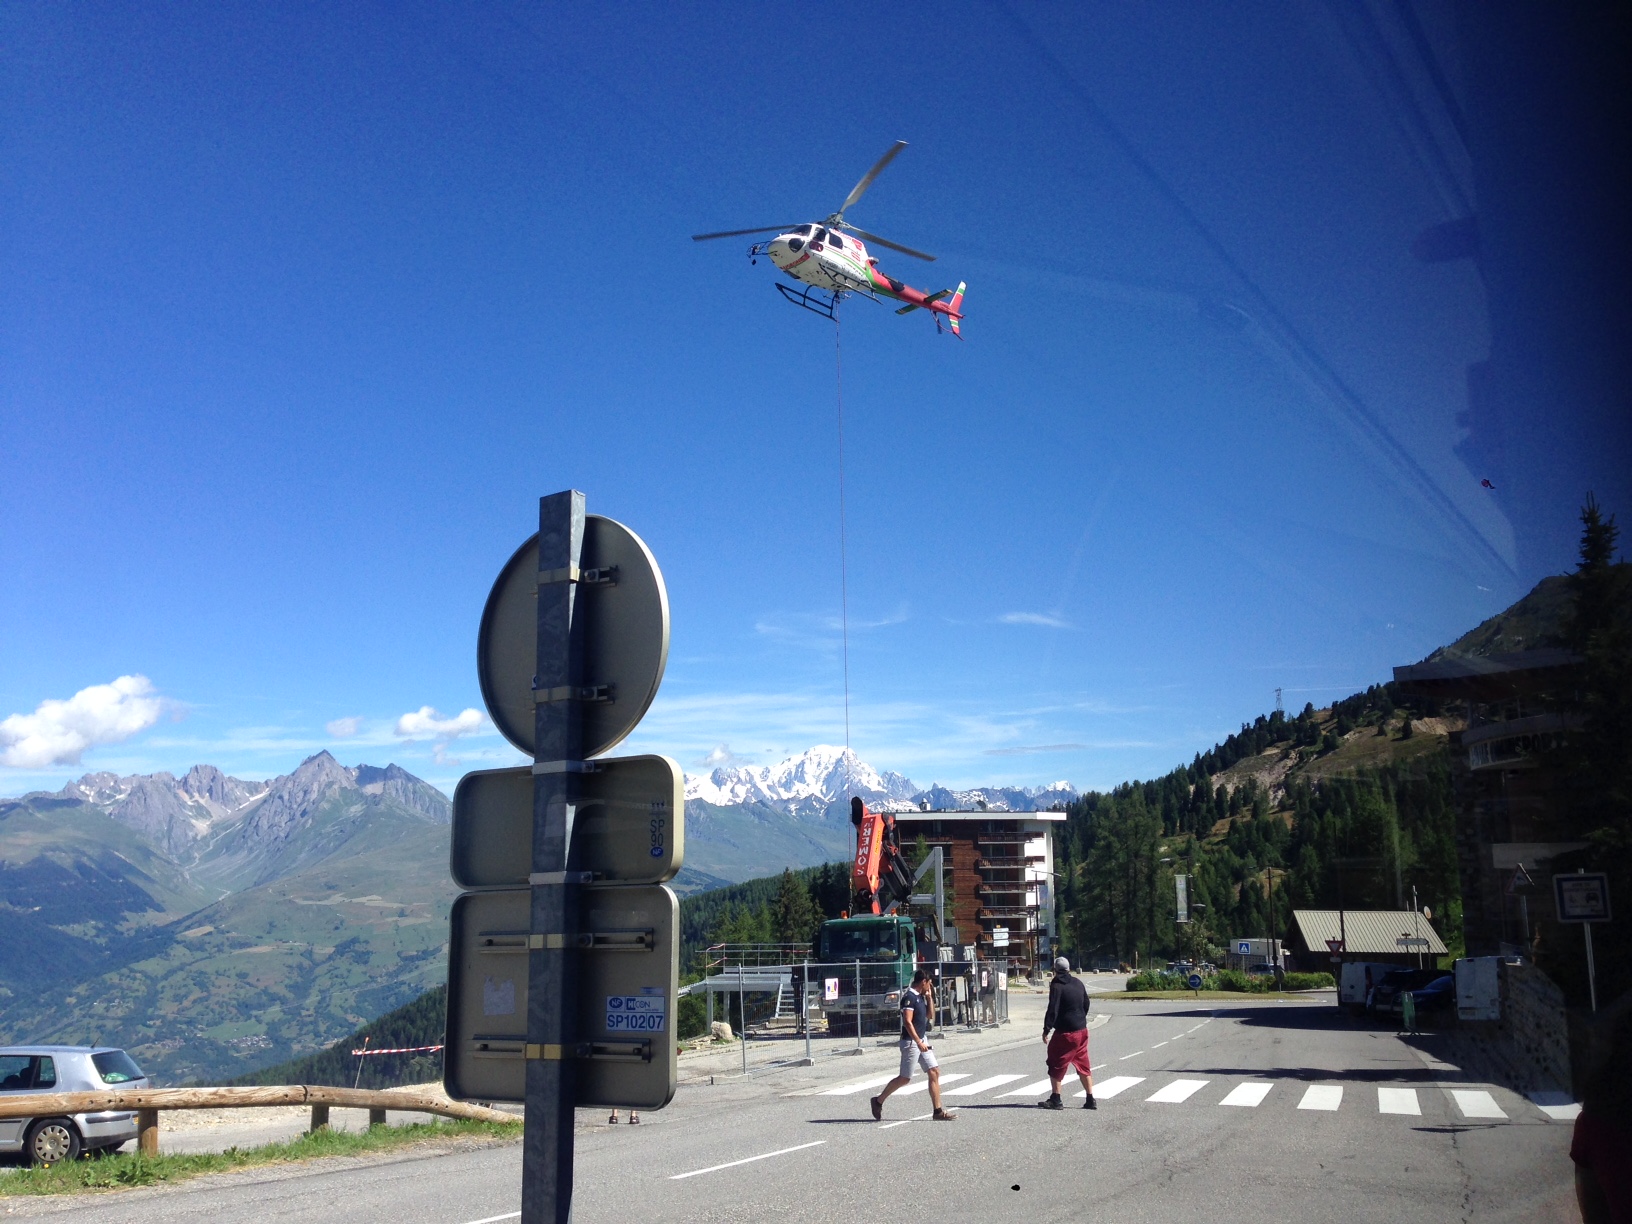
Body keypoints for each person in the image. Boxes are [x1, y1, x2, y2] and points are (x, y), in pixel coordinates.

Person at [870, 969, 956, 1122]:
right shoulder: (909, 997)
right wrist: (918, 1042)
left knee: (934, 1071)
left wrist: (929, 998)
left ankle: (937, 1111)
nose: (930, 987)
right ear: (923, 982)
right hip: (911, 1042)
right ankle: (878, 1101)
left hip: (922, 1039)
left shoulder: (920, 997)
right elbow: (907, 1022)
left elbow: (930, 1015)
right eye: (929, 984)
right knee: (905, 1078)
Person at [1039, 956, 1095, 1110]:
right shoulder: (1078, 982)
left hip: (1066, 1033)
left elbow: (1053, 1009)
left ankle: (1056, 1099)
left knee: (1056, 1062)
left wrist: (1046, 1029)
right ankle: (1090, 1099)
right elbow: (1086, 1003)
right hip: (1082, 1030)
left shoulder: (1057, 985)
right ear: (1069, 969)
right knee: (1083, 1063)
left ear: (1055, 970)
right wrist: (1080, 1018)